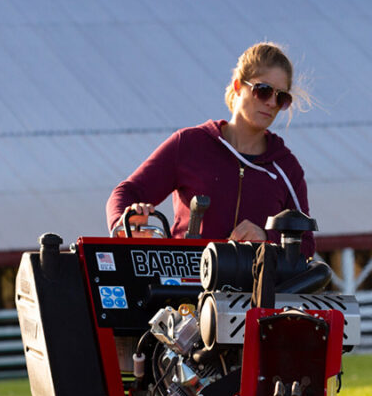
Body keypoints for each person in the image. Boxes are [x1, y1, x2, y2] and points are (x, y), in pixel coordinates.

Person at [106, 42, 315, 256]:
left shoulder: (286, 167)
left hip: (256, 288)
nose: (272, 102)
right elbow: (125, 193)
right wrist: (129, 225)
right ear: (237, 86)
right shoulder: (189, 145)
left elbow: (305, 245)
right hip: (186, 285)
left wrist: (265, 238)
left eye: (281, 98)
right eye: (263, 91)